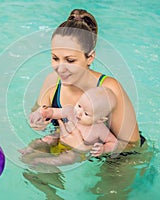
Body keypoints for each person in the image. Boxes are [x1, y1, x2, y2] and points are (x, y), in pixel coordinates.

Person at [29, 9, 145, 156]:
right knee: (32, 159)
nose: (61, 68)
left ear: (89, 58)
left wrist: (88, 147)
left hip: (119, 157)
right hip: (67, 144)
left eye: (70, 60)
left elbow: (132, 146)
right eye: (55, 58)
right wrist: (36, 120)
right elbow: (36, 111)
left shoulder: (109, 89)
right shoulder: (52, 81)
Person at [20, 87, 118, 166]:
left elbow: (113, 142)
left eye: (86, 114)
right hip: (59, 138)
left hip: (75, 152)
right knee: (46, 139)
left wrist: (104, 149)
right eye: (79, 106)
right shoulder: (70, 111)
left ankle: (42, 161)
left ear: (100, 119)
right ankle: (27, 150)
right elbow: (54, 112)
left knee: (69, 158)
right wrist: (44, 112)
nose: (78, 113)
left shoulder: (99, 129)